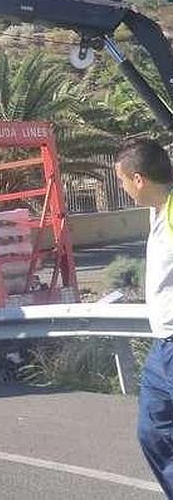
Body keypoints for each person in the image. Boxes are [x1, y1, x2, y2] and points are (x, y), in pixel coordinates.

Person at [116, 138, 173, 496]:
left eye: (122, 180)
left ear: (139, 179)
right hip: (162, 347)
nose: (121, 188)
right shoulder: (157, 209)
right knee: (152, 431)